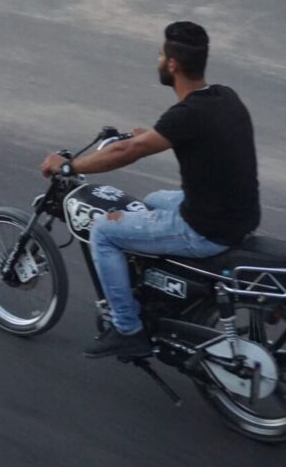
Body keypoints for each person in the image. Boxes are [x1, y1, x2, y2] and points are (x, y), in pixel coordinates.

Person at [41, 21, 260, 359]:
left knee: (103, 232)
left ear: (172, 64)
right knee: (154, 200)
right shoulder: (223, 97)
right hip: (239, 215)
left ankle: (128, 328)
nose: (158, 60)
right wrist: (149, 136)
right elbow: (197, 141)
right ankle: (162, 289)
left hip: (205, 229)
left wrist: (69, 166)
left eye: (160, 55)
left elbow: (126, 153)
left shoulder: (185, 115)